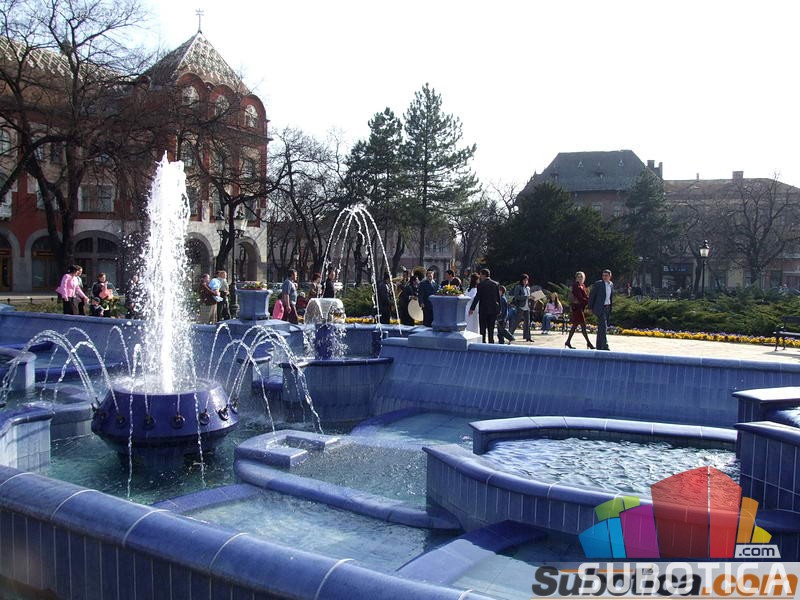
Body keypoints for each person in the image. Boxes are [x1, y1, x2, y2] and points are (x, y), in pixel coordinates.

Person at [469, 268, 501, 344]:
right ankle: (491, 342)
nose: (480, 277)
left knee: (482, 329)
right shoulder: (495, 284)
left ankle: (483, 342)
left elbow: (477, 297)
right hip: (493, 309)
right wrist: (499, 309)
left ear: (483, 275)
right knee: (491, 329)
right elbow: (498, 297)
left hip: (483, 309)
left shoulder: (480, 285)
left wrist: (472, 308)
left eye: (480, 275)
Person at [565, 271, 594, 349]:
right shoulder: (576, 285)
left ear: (584, 278)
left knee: (575, 325)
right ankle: (589, 343)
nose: (580, 278)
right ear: (576, 278)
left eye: (581, 277)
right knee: (583, 325)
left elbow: (585, 296)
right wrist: (588, 301)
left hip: (580, 307)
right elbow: (579, 297)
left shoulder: (583, 286)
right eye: (578, 277)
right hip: (577, 308)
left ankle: (568, 341)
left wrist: (589, 300)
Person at [587, 269, 614, 351]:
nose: (604, 277)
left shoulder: (611, 284)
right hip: (600, 308)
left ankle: (599, 345)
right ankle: (605, 345)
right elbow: (592, 295)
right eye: (603, 275)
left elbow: (610, 297)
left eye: (606, 276)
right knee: (603, 326)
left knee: (601, 327)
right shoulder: (598, 284)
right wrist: (590, 307)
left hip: (607, 307)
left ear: (610, 276)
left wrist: (610, 308)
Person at [510, 274, 532, 342]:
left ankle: (528, 337)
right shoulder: (518, 287)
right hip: (520, 306)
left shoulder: (528, 288)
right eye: (524, 280)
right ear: (521, 280)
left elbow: (528, 297)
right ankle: (509, 335)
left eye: (527, 280)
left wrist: (532, 298)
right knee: (516, 321)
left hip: (527, 307)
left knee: (527, 323)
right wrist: (526, 297)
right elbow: (517, 297)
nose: (526, 281)